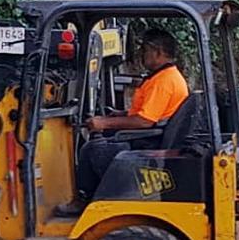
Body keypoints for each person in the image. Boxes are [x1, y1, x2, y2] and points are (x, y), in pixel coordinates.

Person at [56, 29, 189, 216]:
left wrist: (104, 124)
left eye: (145, 51)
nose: (142, 55)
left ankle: (85, 200)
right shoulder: (164, 77)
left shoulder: (164, 81)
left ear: (158, 52)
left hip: (147, 142)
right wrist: (120, 114)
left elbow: (144, 121)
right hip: (151, 137)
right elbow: (151, 113)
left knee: (91, 150)